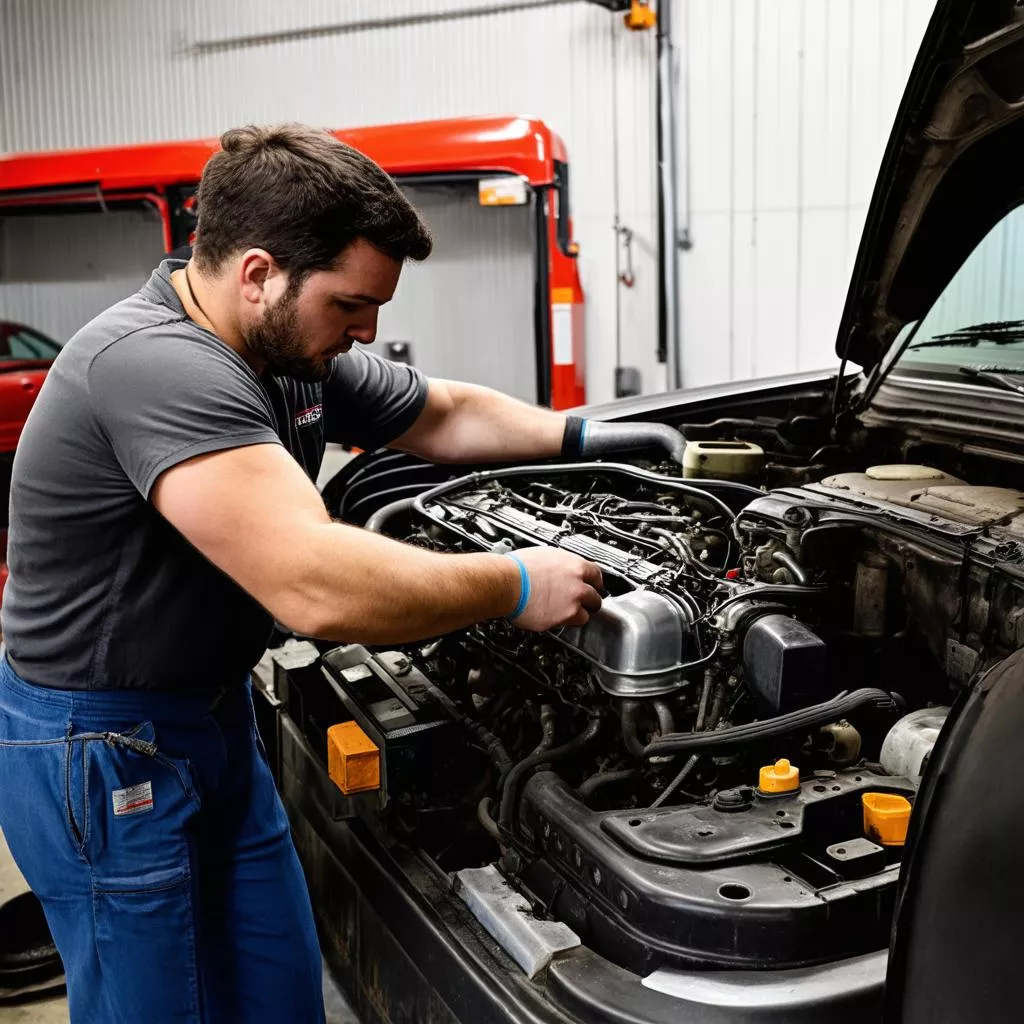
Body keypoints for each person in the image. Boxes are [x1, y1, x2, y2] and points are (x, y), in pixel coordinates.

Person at [0, 124, 673, 1023]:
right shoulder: (156, 365)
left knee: (277, 989)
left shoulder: (283, 349)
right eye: (351, 305)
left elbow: (444, 414)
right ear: (257, 273)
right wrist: (516, 582)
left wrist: (595, 438)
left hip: (210, 712)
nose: (368, 332)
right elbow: (314, 585)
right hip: (100, 742)